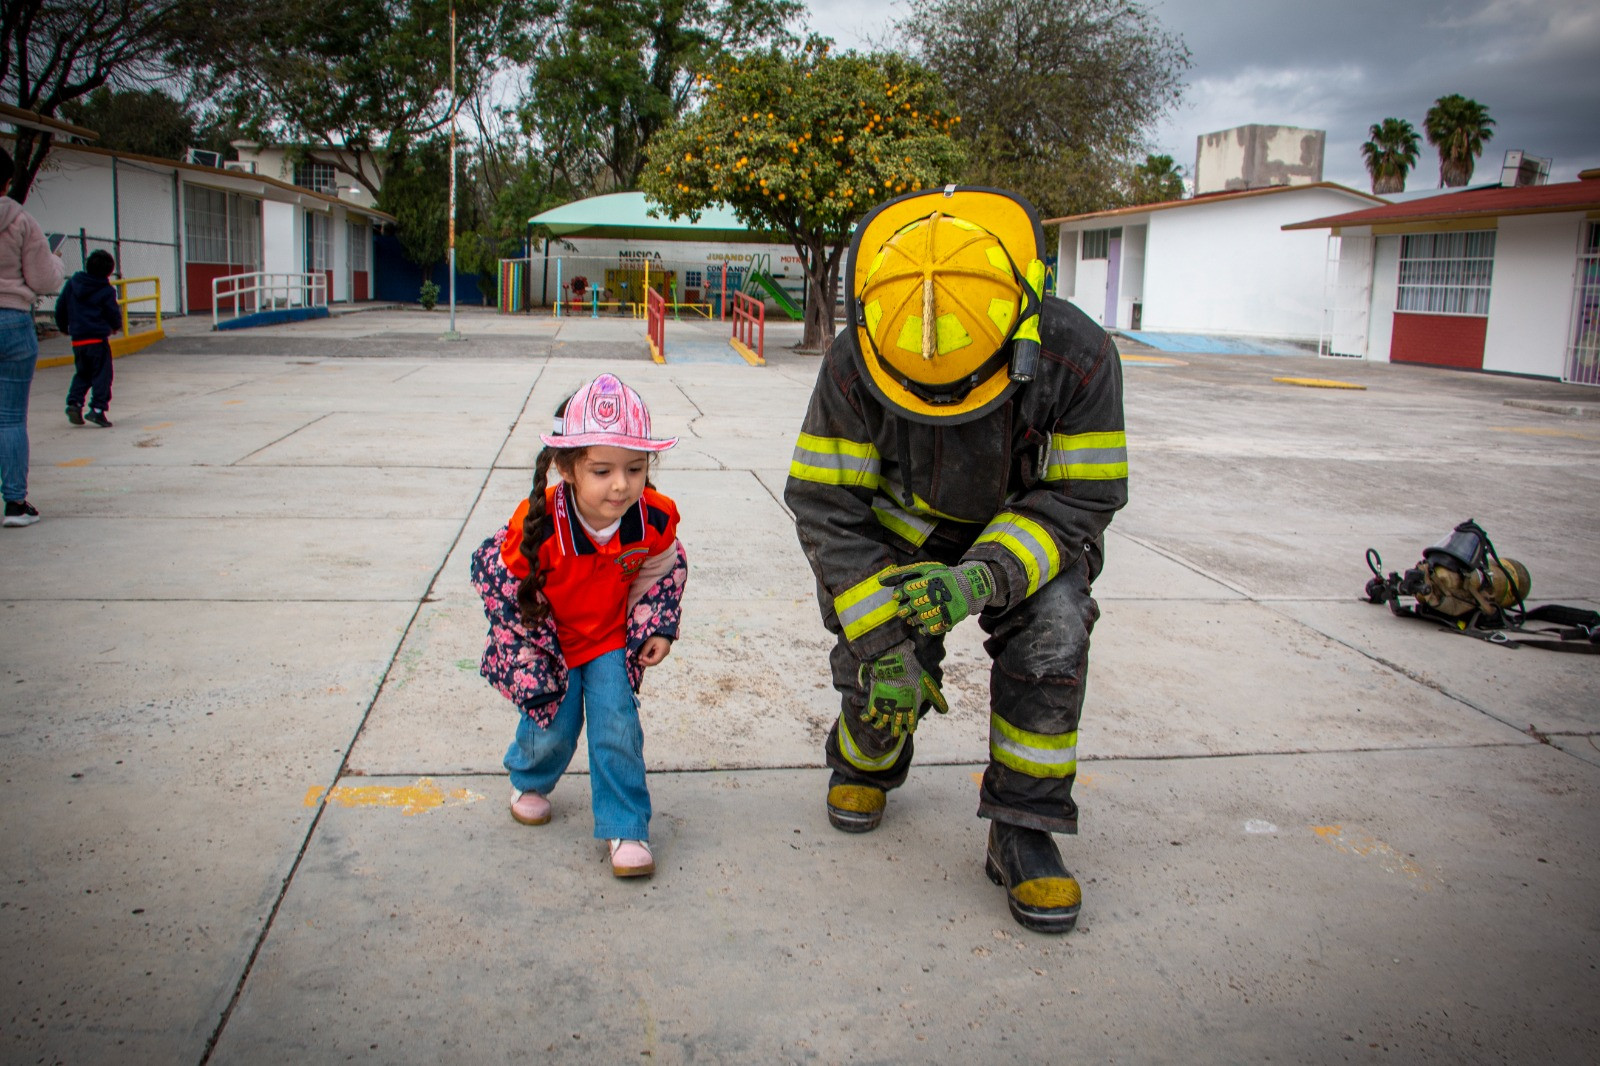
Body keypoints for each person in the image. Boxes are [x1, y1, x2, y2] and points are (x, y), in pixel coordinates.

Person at [784, 186, 1127, 933]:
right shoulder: (855, 359)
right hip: (903, 532)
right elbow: (827, 508)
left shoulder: (1080, 358)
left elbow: (1079, 502)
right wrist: (882, 639)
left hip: (1028, 534)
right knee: (881, 680)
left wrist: (981, 577)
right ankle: (866, 760)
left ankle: (1023, 827)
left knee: (1055, 633)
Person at [470, 373, 687, 878]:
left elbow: (664, 570)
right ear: (567, 468)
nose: (621, 484)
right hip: (553, 645)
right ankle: (529, 776)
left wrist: (654, 626)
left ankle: (626, 826)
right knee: (554, 726)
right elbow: (500, 584)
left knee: (617, 726)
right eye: (602, 470)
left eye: (636, 468)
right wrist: (528, 653)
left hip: (610, 640)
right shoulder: (539, 524)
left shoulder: (653, 519)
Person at [0, 145, 66, 527]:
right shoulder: (23, 222)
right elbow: (43, 278)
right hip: (11, 319)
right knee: (9, 418)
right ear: (8, 180)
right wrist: (56, 261)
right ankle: (15, 504)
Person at [56, 249, 121, 428]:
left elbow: (61, 306)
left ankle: (74, 403)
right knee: (102, 374)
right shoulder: (106, 290)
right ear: (109, 271)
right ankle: (98, 410)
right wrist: (116, 326)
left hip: (78, 340)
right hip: (97, 340)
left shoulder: (72, 284)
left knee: (83, 373)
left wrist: (63, 327)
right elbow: (112, 311)